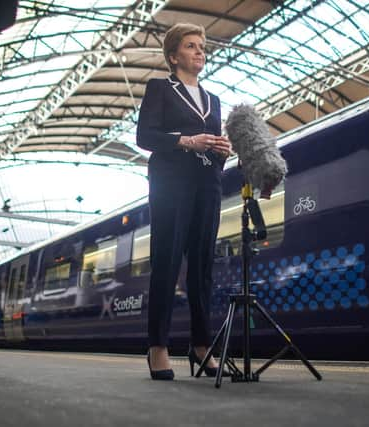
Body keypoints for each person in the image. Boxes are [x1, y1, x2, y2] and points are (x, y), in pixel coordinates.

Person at [136, 22, 232, 380]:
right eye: (192, 46)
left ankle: (201, 345)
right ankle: (157, 346)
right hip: (171, 182)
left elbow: (212, 148)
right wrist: (186, 141)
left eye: (202, 46)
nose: (200, 51)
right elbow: (145, 135)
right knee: (168, 259)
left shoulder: (214, 100)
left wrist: (223, 150)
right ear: (174, 56)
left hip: (207, 184)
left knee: (203, 267)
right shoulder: (160, 88)